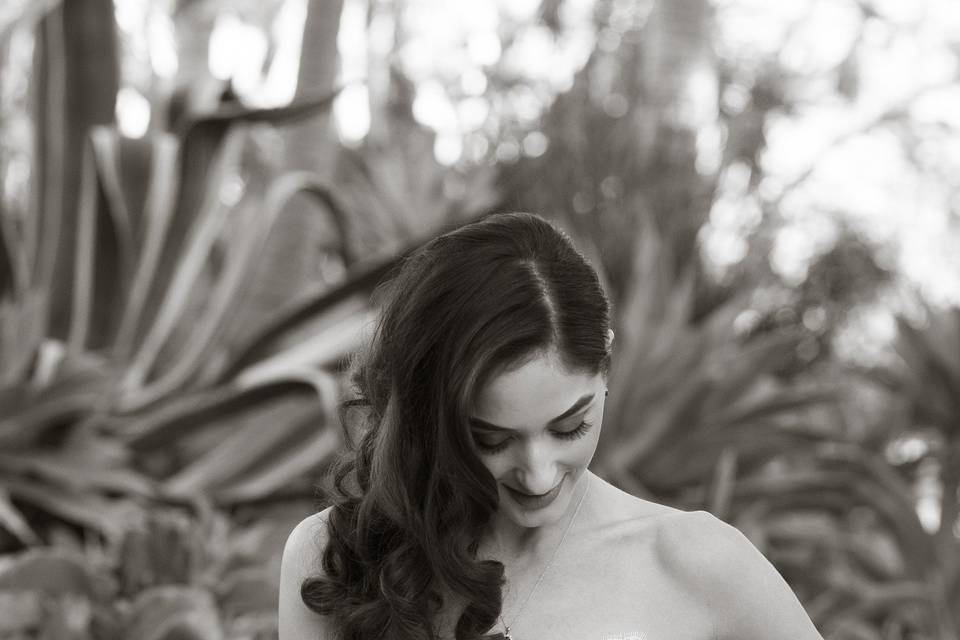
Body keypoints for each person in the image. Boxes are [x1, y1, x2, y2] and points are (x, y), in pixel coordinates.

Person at [279, 212, 824, 640]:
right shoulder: (335, 557)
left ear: (606, 372)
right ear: (426, 418)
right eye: (490, 440)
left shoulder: (700, 562)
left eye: (569, 428)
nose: (537, 476)